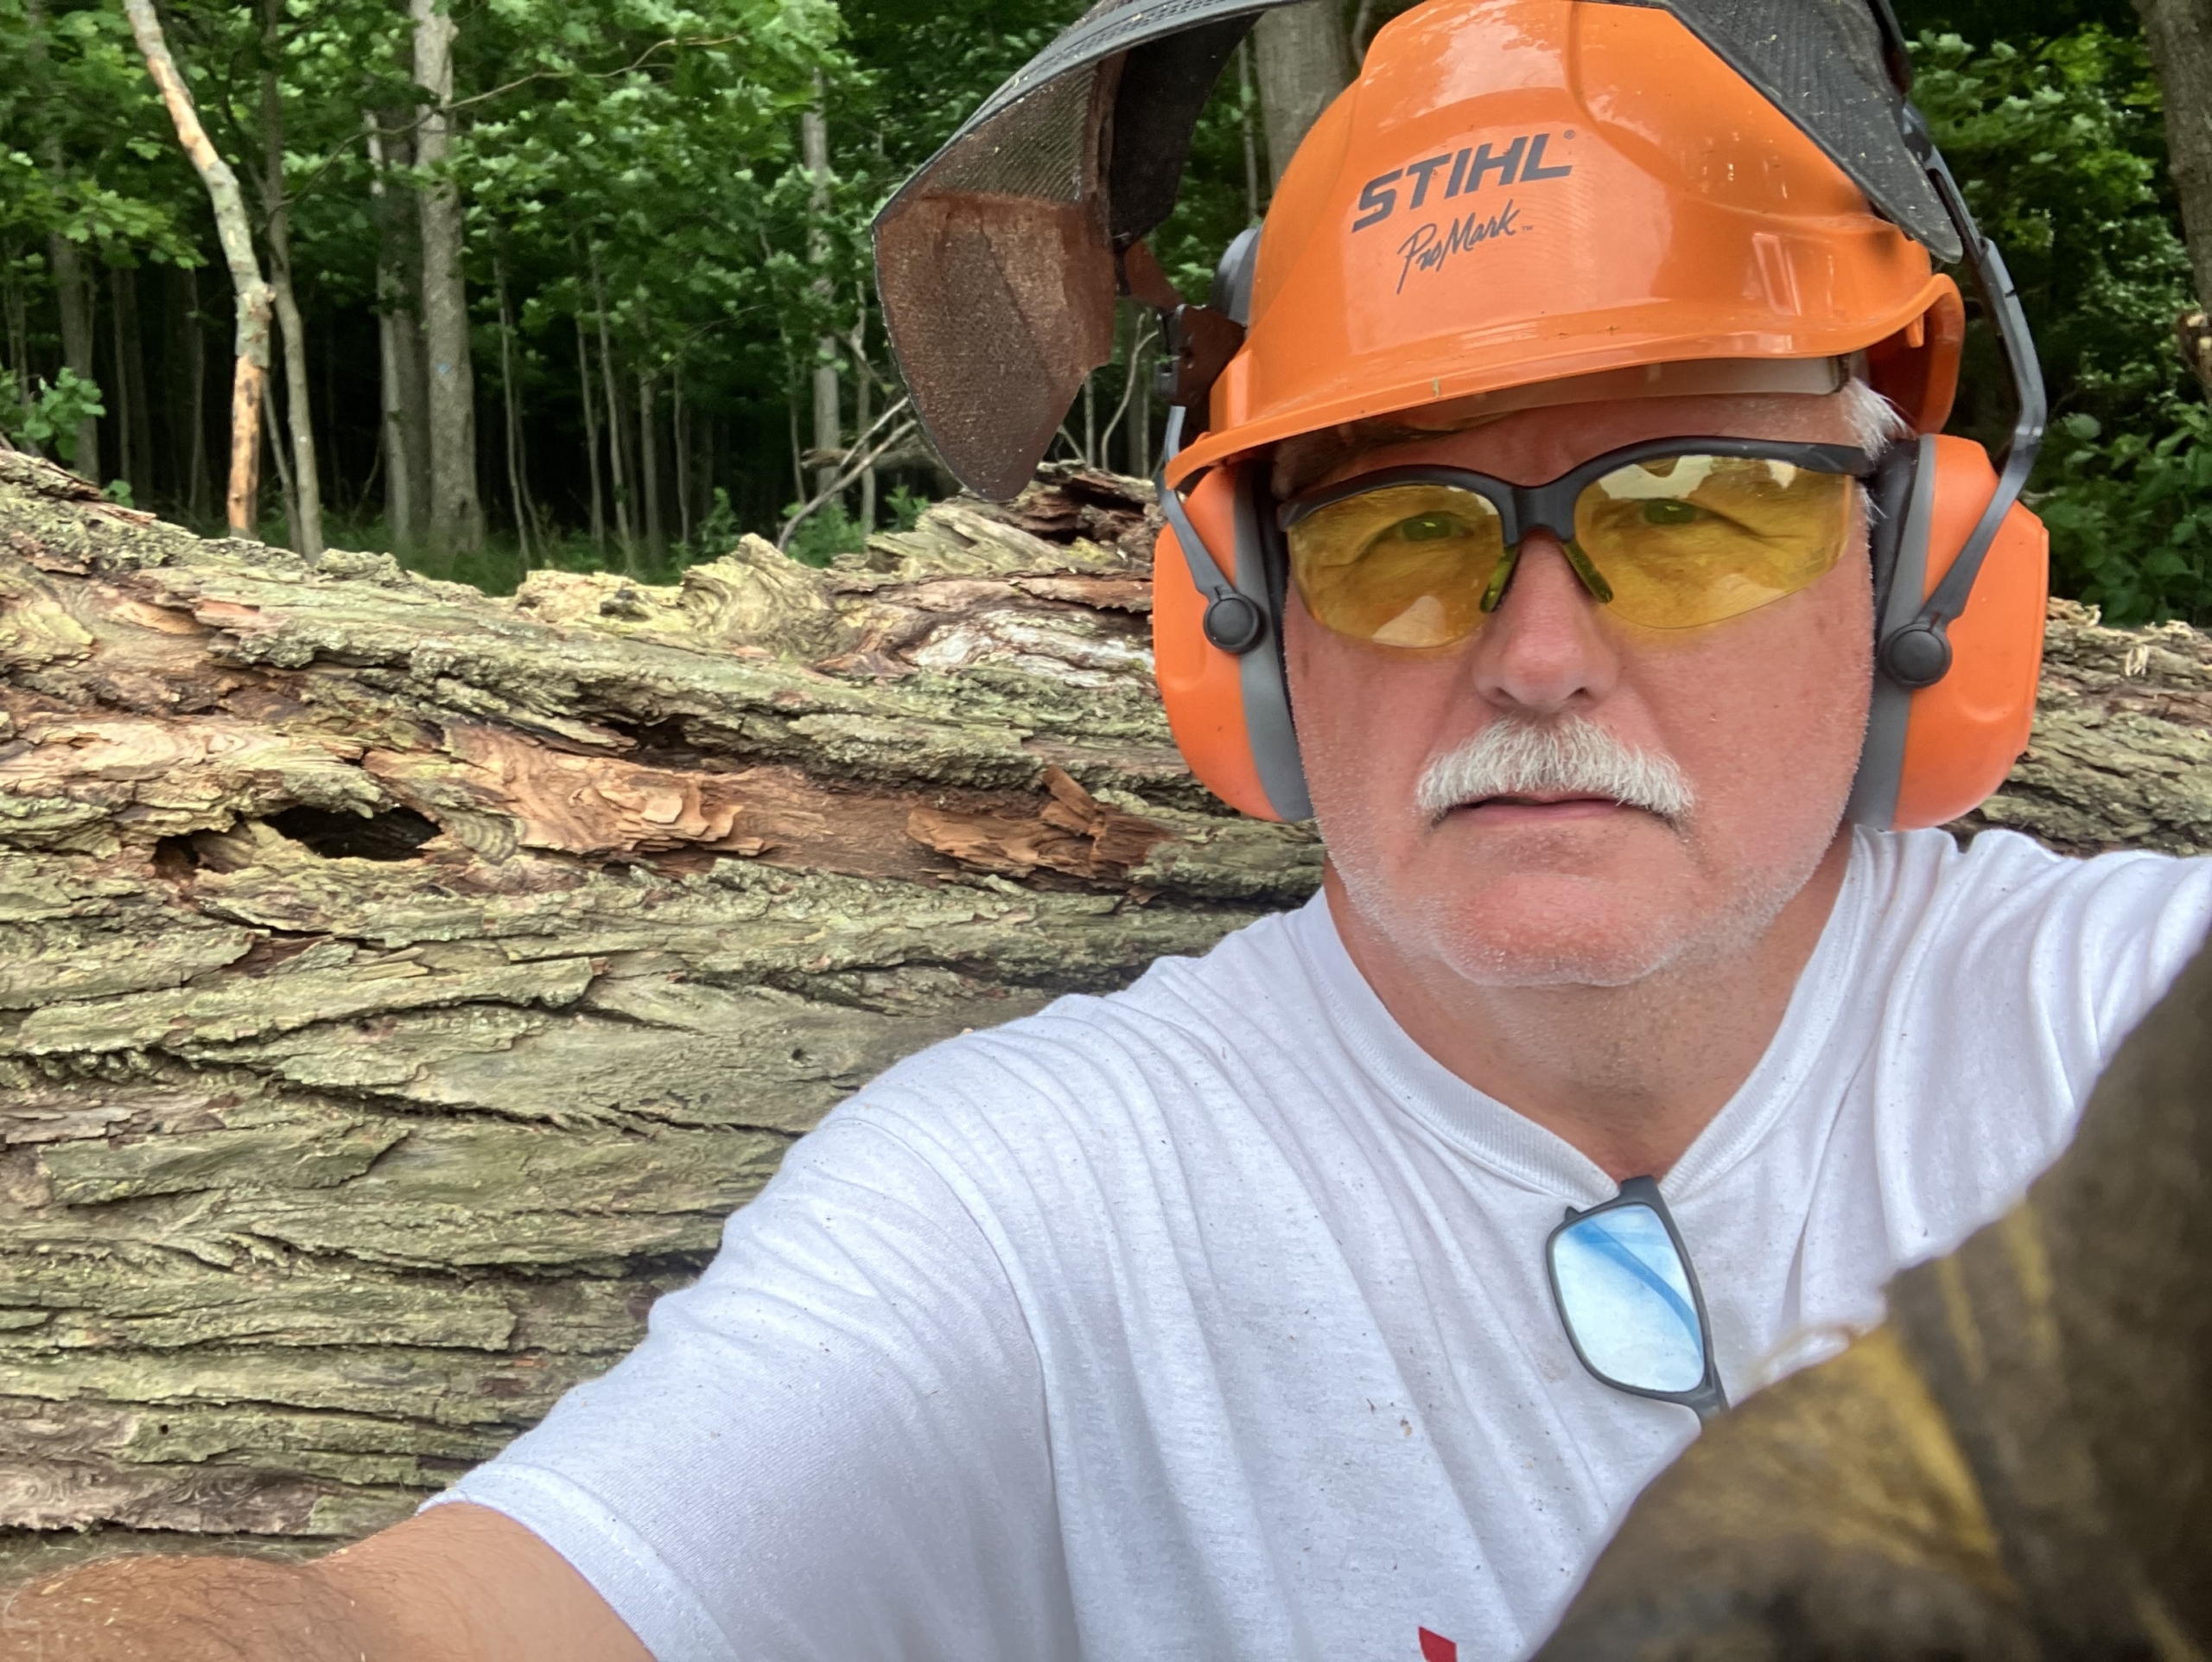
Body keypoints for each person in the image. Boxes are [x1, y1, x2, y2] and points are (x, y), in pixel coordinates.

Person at [10, 1, 2210, 1659]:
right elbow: (438, 1617)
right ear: (1238, 626)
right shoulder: (1035, 1194)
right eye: (1402, 535)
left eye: (1694, 506)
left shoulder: (2131, 1013)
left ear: (1916, 571)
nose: (1536, 653)